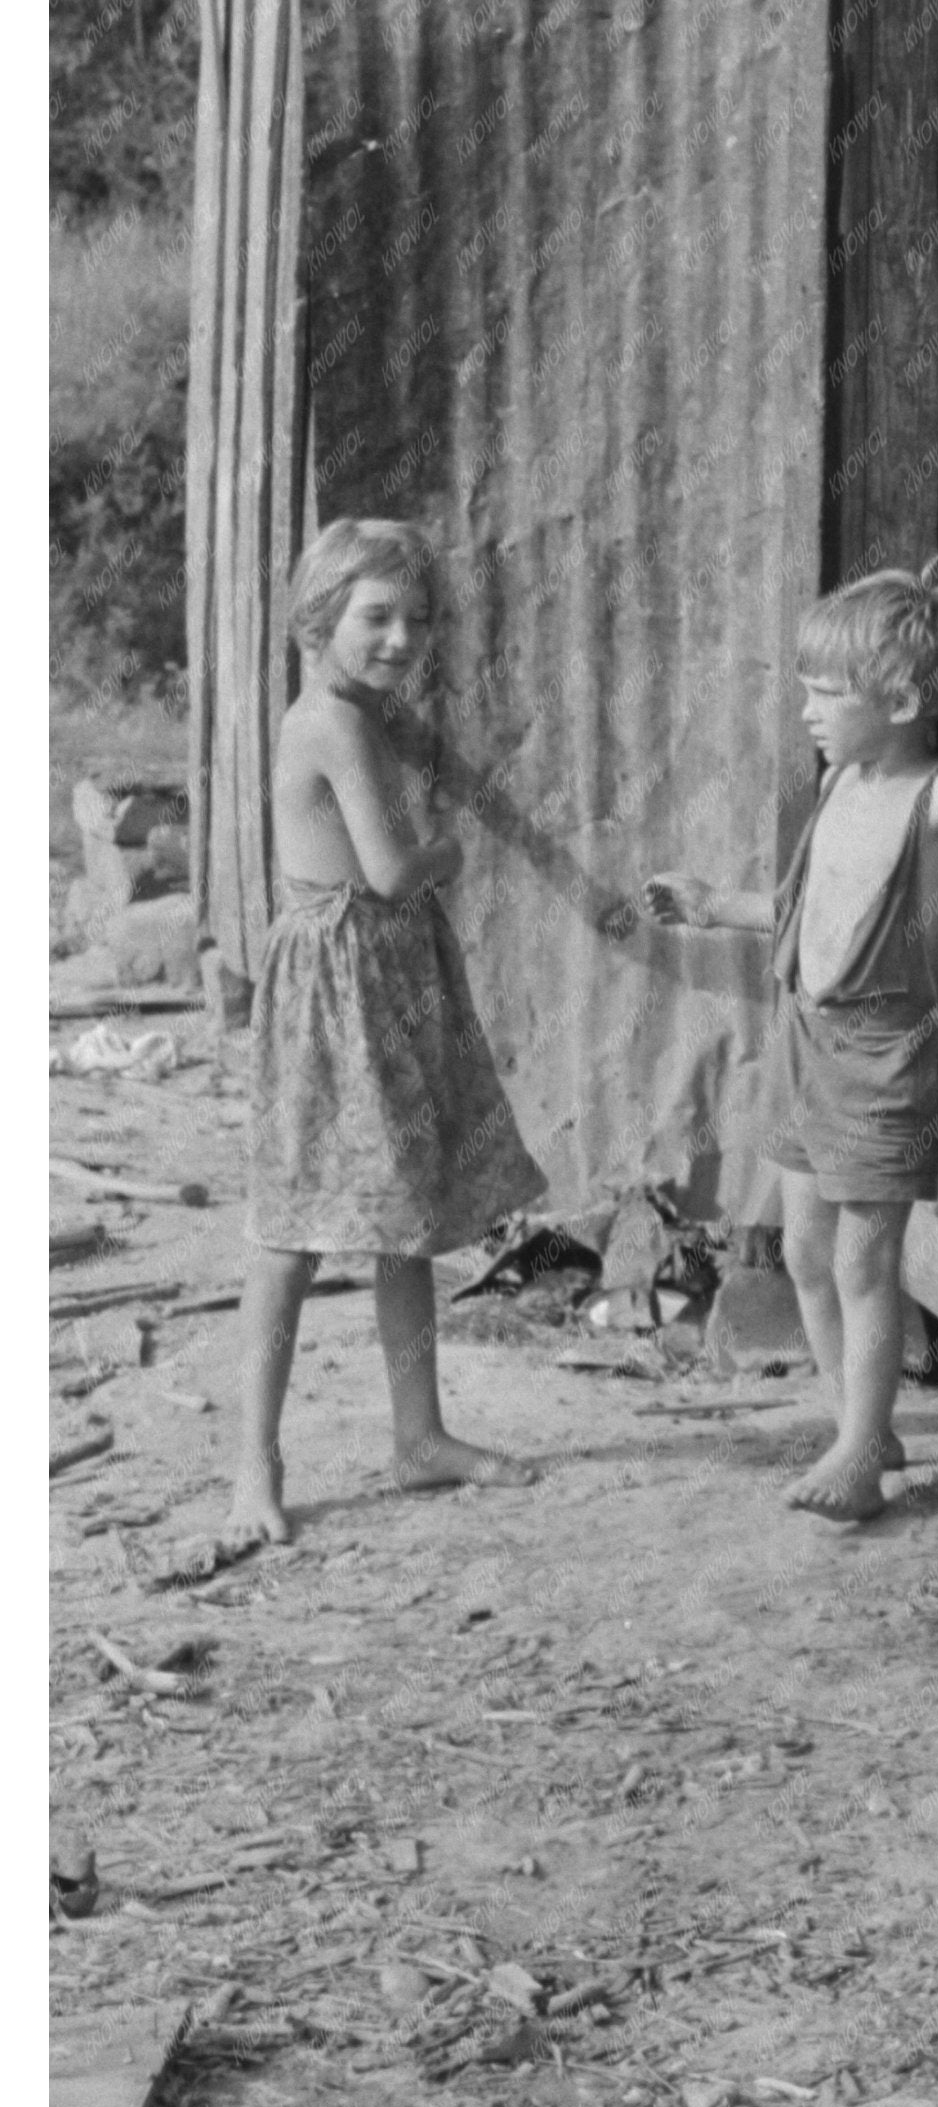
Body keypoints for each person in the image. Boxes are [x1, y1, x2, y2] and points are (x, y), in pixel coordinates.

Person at [642, 571, 938, 1521]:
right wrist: (712, 906)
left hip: (885, 1058)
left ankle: (862, 1448)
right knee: (806, 1251)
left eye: (827, 692)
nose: (808, 710)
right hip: (805, 1042)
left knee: (866, 1262)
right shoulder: (840, 781)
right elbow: (811, 906)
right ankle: (855, 1424)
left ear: (901, 702)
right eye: (806, 687)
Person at [230, 519, 543, 1545]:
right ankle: (253, 1467)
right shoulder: (335, 722)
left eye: (419, 618)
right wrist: (451, 848)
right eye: (378, 617)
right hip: (339, 981)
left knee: (398, 1212)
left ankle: (420, 1438)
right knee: (292, 1231)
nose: (404, 637)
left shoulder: (351, 709)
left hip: (376, 975)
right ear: (318, 619)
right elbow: (389, 872)